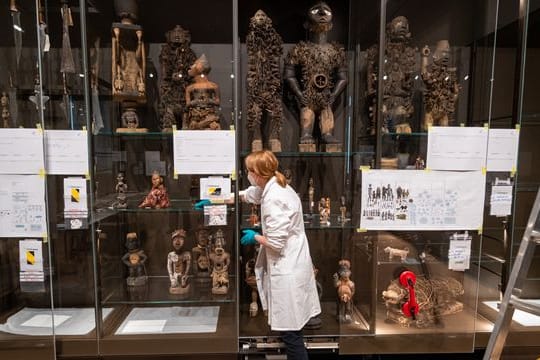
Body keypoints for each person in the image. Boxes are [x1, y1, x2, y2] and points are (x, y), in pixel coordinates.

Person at [240, 150, 321, 360]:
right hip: (295, 263)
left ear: (258, 173)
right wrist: (217, 197)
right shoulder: (276, 184)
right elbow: (251, 194)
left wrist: (255, 237)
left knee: (292, 335)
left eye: (249, 171)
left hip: (288, 269)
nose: (247, 174)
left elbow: (275, 243)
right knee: (293, 328)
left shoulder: (273, 198)